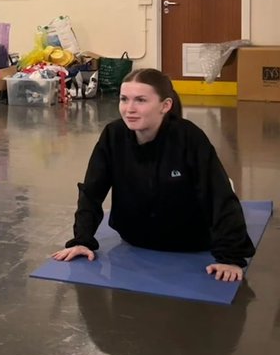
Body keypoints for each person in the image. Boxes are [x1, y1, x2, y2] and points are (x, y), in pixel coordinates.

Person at [52, 68, 254, 281]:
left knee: (220, 185)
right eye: (124, 99)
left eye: (140, 100)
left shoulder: (189, 137)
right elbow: (92, 191)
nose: (129, 109)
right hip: (135, 237)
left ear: (165, 106)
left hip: (191, 240)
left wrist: (230, 258)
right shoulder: (113, 135)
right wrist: (82, 240)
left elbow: (218, 196)